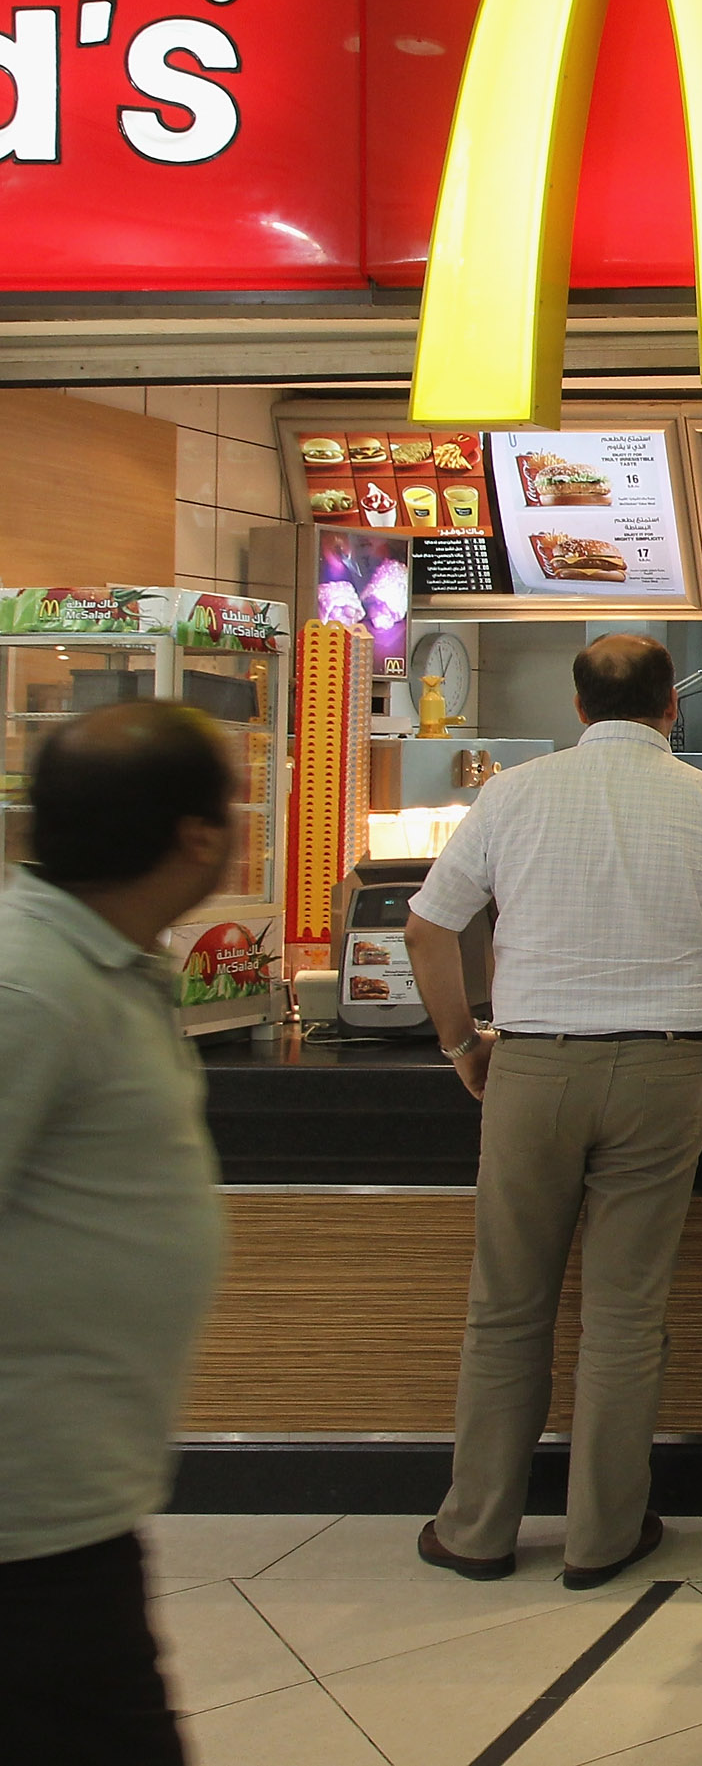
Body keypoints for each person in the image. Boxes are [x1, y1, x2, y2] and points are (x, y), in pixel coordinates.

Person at [406, 634, 702, 1590]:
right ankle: (602, 1537)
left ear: (578, 708)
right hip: (664, 1069)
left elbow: (426, 927)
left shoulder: (513, 795)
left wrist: (461, 1046)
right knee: (625, 1315)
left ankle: (478, 1529)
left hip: (532, 1065)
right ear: (673, 708)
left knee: (507, 1308)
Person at [0, 704, 238, 1765]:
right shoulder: (27, 986)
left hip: (73, 1496)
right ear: (196, 836)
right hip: (23, 1512)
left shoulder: (106, 963)